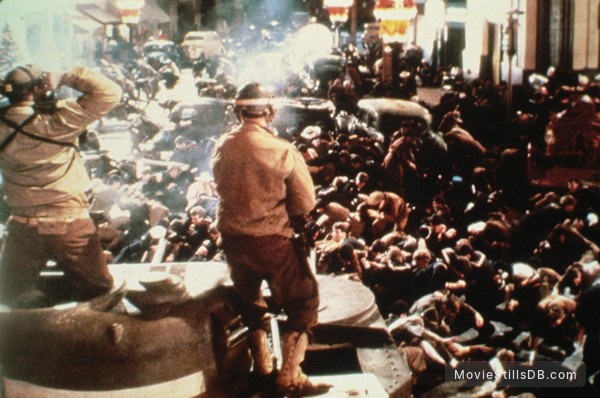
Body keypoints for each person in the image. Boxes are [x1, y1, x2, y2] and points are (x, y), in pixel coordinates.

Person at [211, 82, 331, 396]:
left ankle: (262, 368)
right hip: (271, 241)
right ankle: (289, 377)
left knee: (250, 303)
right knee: (304, 302)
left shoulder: (222, 144)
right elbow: (305, 203)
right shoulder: (282, 150)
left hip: (233, 241)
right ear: (269, 111)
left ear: (238, 110)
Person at [0, 64, 122, 308]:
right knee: (100, 292)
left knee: (10, 294)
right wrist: (64, 76)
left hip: (23, 227)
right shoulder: (59, 119)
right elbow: (110, 92)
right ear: (37, 89)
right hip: (70, 224)